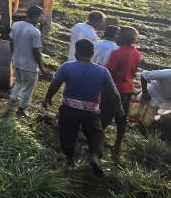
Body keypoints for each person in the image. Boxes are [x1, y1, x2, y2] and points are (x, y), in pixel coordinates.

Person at [43, 39, 122, 171]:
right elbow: (114, 92)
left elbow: (55, 84)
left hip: (70, 108)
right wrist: (119, 106)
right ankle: (95, 155)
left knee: (67, 133)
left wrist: (47, 98)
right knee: (96, 134)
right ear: (92, 53)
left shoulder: (67, 67)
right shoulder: (102, 71)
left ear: (76, 53)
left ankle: (70, 161)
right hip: (91, 110)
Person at [104, 26, 142, 162]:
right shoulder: (137, 53)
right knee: (121, 118)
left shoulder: (117, 53)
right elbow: (134, 71)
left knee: (105, 115)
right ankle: (118, 144)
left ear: (123, 37)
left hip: (114, 89)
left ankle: (95, 141)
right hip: (128, 88)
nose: (116, 36)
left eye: (119, 34)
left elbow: (108, 73)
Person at [9, 5, 45, 117]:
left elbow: (11, 42)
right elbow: (36, 51)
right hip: (29, 66)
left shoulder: (15, 25)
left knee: (18, 82)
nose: (39, 20)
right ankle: (21, 110)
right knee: (28, 89)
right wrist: (41, 66)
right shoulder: (35, 32)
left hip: (17, 61)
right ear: (35, 17)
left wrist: (13, 55)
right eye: (39, 17)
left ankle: (12, 100)